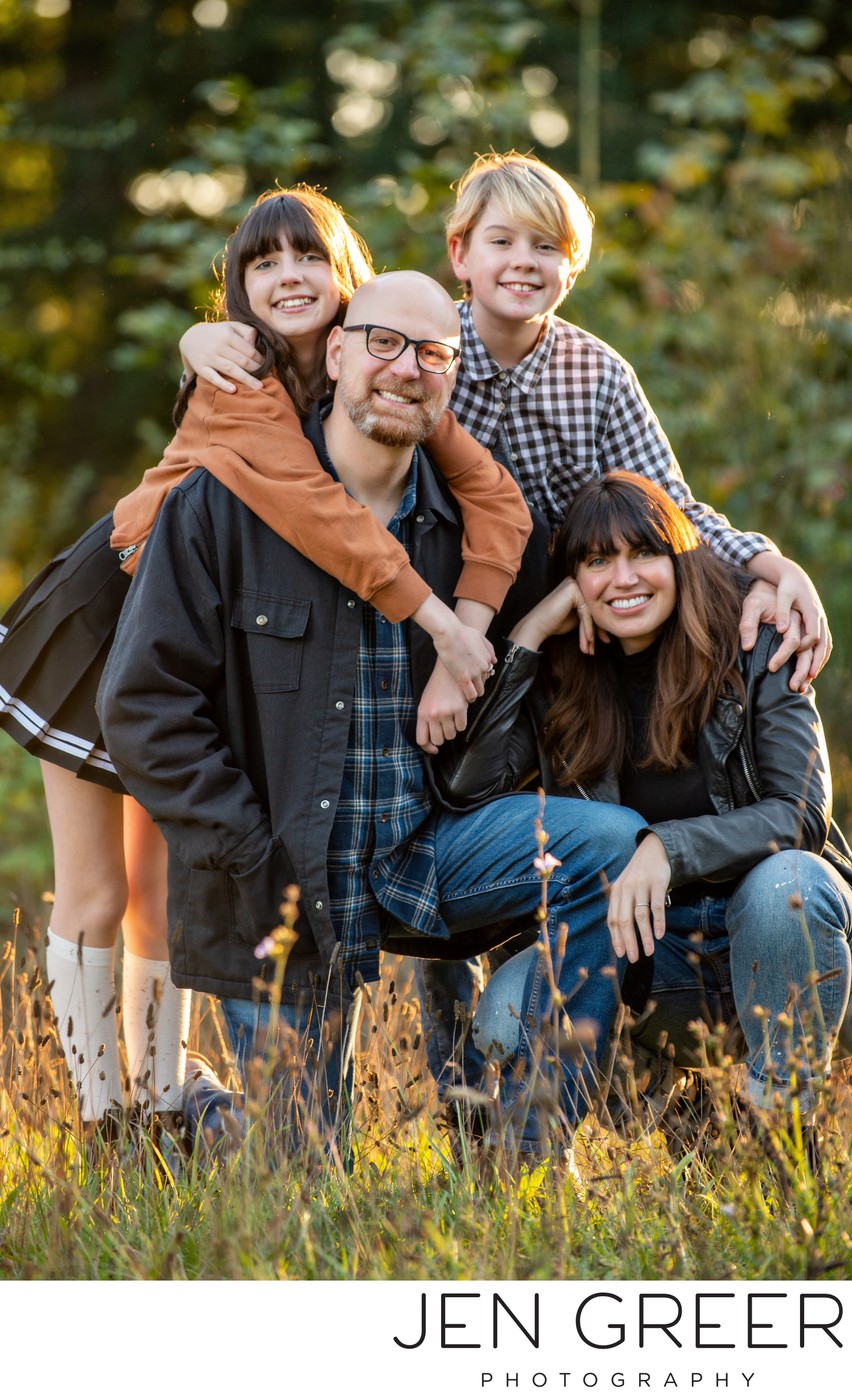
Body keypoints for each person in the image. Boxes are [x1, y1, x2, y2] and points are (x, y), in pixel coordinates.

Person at [179, 151, 833, 1109]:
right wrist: (202, 343)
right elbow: (327, 374)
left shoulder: (595, 370)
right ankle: (453, 1080)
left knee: (541, 838)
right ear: (460, 255)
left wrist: (769, 563)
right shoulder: (429, 349)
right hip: (441, 624)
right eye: (503, 241)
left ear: (573, 267)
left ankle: (539, 1080)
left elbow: (672, 509)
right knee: (436, 812)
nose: (525, 261)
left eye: (550, 246)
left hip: (564, 626)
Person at [0, 187, 531, 1143]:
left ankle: (161, 1104)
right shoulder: (235, 380)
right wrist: (442, 628)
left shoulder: (365, 375)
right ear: (240, 291)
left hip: (202, 646)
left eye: (308, 258)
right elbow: (321, 520)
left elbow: (492, 492)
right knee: (97, 892)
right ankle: (99, 1118)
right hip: (105, 623)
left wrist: (474, 625)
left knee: (167, 888)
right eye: (262, 264)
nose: (289, 277)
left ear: (346, 278)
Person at [97, 272, 650, 1160]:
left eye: (433, 353)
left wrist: (766, 574)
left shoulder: (469, 530)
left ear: (454, 376)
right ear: (341, 350)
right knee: (307, 1182)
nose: (406, 369)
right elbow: (142, 705)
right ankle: (207, 1120)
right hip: (279, 881)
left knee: (612, 841)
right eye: (385, 343)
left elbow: (649, 564)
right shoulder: (222, 506)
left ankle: (521, 1151)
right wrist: (246, 849)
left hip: (423, 853)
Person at [436, 471, 852, 1154]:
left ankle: (780, 1145)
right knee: (509, 1010)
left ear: (680, 560)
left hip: (792, 952)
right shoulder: (562, 681)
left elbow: (801, 814)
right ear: (574, 580)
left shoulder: (754, 642)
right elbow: (467, 790)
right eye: (597, 561)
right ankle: (673, 1124)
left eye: (643, 554)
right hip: (658, 962)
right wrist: (534, 633)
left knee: (791, 890)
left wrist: (667, 847)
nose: (623, 578)